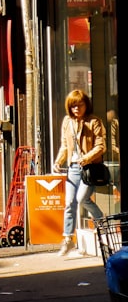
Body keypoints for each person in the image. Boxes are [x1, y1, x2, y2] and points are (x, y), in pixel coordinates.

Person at [52, 89, 106, 257]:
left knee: (82, 198)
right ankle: (68, 239)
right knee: (69, 203)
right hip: (73, 168)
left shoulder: (94, 121)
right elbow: (64, 145)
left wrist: (87, 158)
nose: (76, 109)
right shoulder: (67, 122)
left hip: (89, 168)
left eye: (79, 105)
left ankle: (103, 228)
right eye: (73, 106)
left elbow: (101, 146)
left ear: (86, 105)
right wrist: (58, 161)